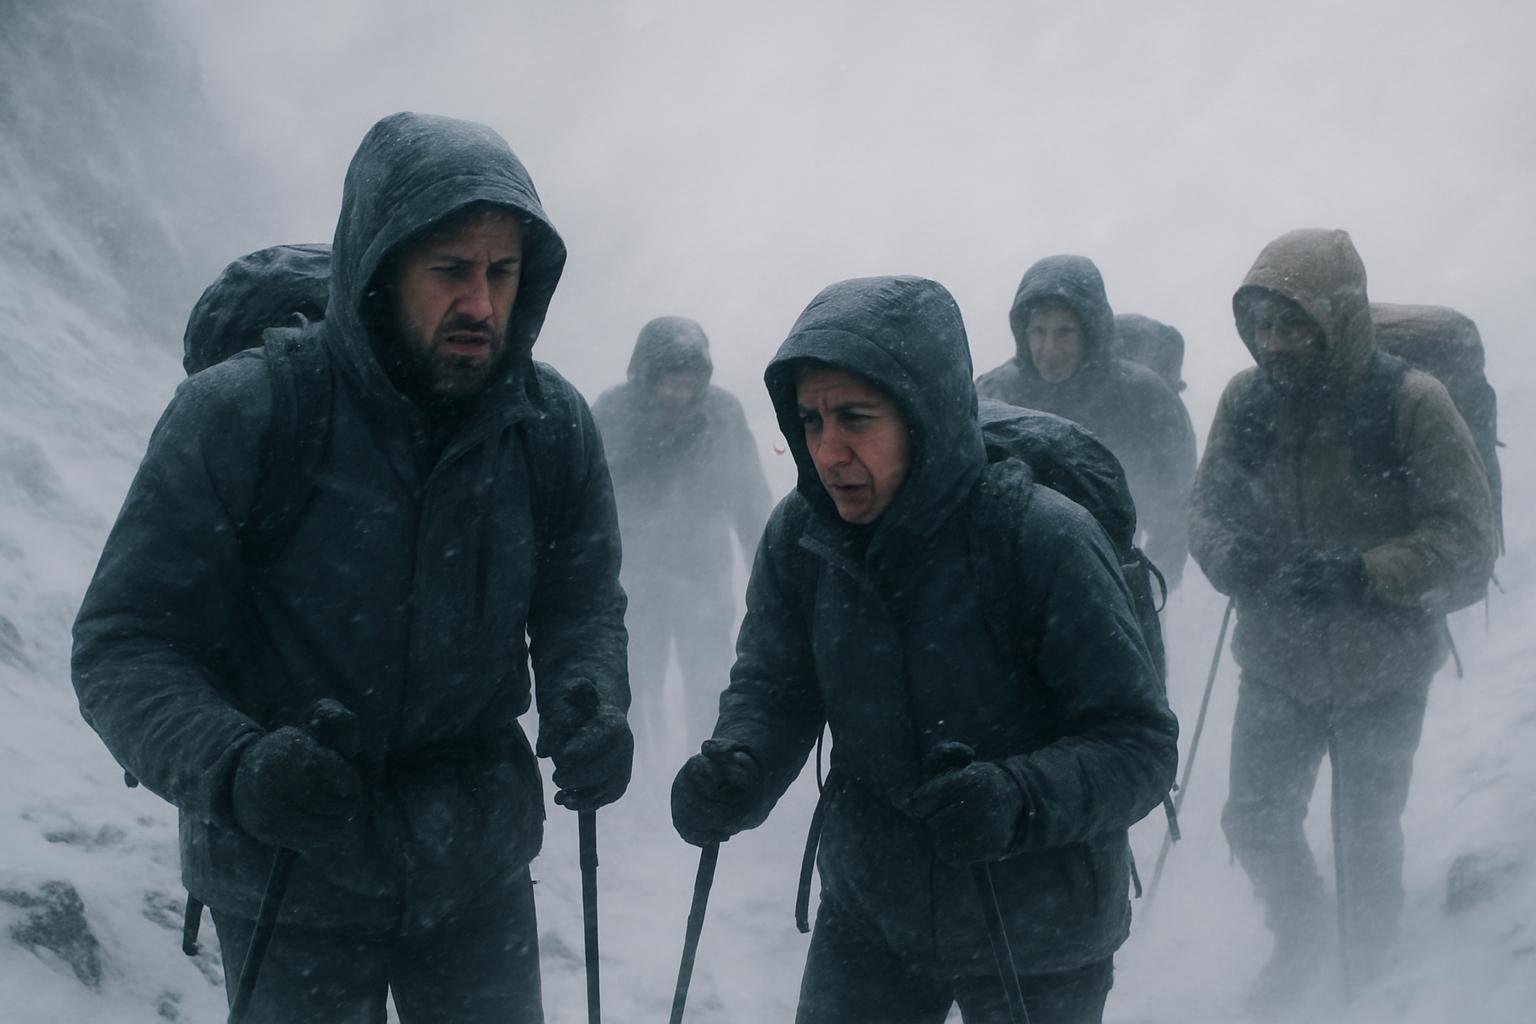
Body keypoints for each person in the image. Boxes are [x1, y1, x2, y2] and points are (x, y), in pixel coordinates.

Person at [71, 111, 633, 1023]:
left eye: (501, 273)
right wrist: (240, 767)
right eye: (450, 270)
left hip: (475, 866)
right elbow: (124, 644)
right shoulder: (245, 413)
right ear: (379, 265)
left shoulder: (549, 423)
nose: (481, 305)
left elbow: (581, 604)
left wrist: (592, 696)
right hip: (291, 866)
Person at [670, 275, 1178, 1024]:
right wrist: (740, 766)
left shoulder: (1042, 539)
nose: (828, 450)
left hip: (1038, 926)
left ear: (924, 415)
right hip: (874, 909)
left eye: (855, 418)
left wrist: (1014, 798)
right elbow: (777, 687)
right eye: (809, 420)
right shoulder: (805, 536)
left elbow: (1138, 747)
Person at [1188, 228, 1495, 1011]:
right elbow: (1207, 511)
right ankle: (1304, 938)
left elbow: (1467, 542)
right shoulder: (1246, 401)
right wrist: (1240, 562)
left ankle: (1372, 977)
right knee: (1255, 821)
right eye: (1262, 326)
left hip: (1385, 662)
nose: (1274, 343)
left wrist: (1363, 573)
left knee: (1364, 835)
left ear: (1340, 319)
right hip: (1277, 659)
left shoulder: (1409, 403)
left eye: (1293, 324)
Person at [592, 316, 772, 759]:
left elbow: (750, 500)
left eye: (687, 383)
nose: (678, 393)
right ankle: (633, 775)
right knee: (634, 679)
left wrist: (769, 578)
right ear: (645, 378)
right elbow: (587, 504)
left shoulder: (723, 416)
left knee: (710, 680)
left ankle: (708, 767)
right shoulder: (613, 415)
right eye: (668, 383)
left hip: (703, 577)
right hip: (634, 582)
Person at [976, 256, 1196, 587]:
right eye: (1037, 331)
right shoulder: (995, 395)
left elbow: (1175, 501)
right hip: (1019, 588)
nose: (1048, 349)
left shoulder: (1143, 396)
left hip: (1118, 581)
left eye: (1064, 332)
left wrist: (1149, 586)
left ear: (1090, 332)